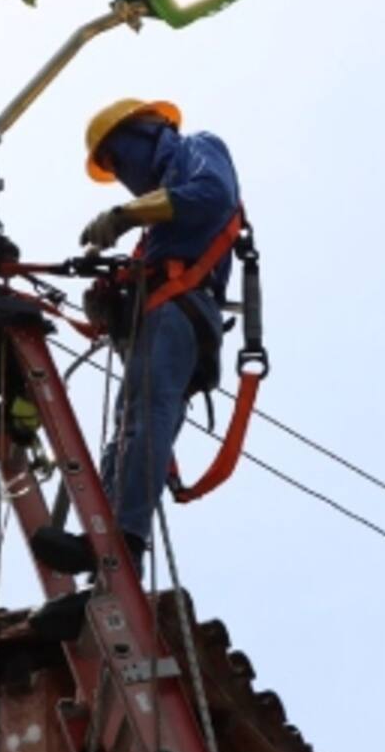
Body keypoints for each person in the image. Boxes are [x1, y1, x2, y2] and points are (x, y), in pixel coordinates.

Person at [29, 98, 242, 589]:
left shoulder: (198, 148)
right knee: (129, 427)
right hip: (164, 313)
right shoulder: (156, 231)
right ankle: (109, 574)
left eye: (119, 159)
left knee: (143, 417)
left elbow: (209, 196)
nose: (123, 176)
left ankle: (122, 539)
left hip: (180, 308)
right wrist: (112, 293)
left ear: (147, 132)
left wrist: (124, 214)